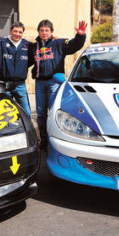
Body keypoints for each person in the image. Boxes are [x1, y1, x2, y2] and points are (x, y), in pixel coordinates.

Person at [30, 19, 87, 149]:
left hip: (54, 83)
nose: (44, 33)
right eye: (42, 30)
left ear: (51, 32)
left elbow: (74, 45)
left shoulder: (59, 43)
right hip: (39, 83)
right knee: (41, 113)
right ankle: (44, 140)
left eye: (47, 30)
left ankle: (54, 140)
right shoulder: (34, 46)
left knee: (54, 112)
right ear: (38, 32)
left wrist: (81, 35)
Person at [0, 8, 32, 116]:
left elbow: (36, 54)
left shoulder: (27, 46)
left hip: (20, 86)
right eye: (15, 31)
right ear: (10, 31)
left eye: (20, 32)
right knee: (4, 114)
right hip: (4, 85)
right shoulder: (0, 43)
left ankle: (27, 131)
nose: (17, 34)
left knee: (26, 113)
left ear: (22, 33)